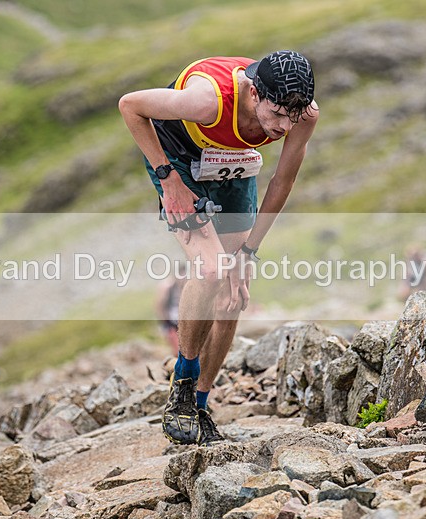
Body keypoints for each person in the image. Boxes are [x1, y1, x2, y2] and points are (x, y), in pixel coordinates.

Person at [119, 51, 318, 446]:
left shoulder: (302, 114)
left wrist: (248, 254)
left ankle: (201, 402)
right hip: (177, 157)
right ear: (253, 93)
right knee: (210, 270)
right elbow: (131, 106)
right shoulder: (207, 100)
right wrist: (168, 179)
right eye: (276, 114)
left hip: (234, 162)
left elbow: (281, 183)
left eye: (291, 119)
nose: (282, 127)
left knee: (232, 292)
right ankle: (182, 384)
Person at [155, 262, 187, 356]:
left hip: (185, 321)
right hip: (172, 323)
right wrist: (166, 324)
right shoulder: (167, 287)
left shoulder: (190, 286)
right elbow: (159, 306)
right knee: (178, 350)